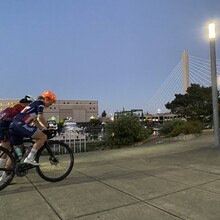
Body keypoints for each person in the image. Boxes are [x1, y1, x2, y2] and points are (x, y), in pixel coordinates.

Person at [9, 90, 56, 166]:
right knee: (43, 137)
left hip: (13, 125)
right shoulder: (40, 104)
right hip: (20, 124)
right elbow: (40, 117)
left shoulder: (34, 104)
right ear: (47, 99)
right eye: (51, 102)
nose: (51, 104)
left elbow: (35, 121)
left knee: (16, 154)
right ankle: (30, 158)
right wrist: (47, 127)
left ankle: (5, 176)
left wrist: (43, 129)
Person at [0, 96, 34, 177]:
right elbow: (23, 123)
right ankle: (2, 173)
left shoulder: (16, 105)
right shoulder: (22, 109)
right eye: (30, 104)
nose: (29, 106)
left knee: (9, 149)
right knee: (7, 148)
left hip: (4, 124)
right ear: (27, 103)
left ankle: (6, 173)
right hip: (4, 126)